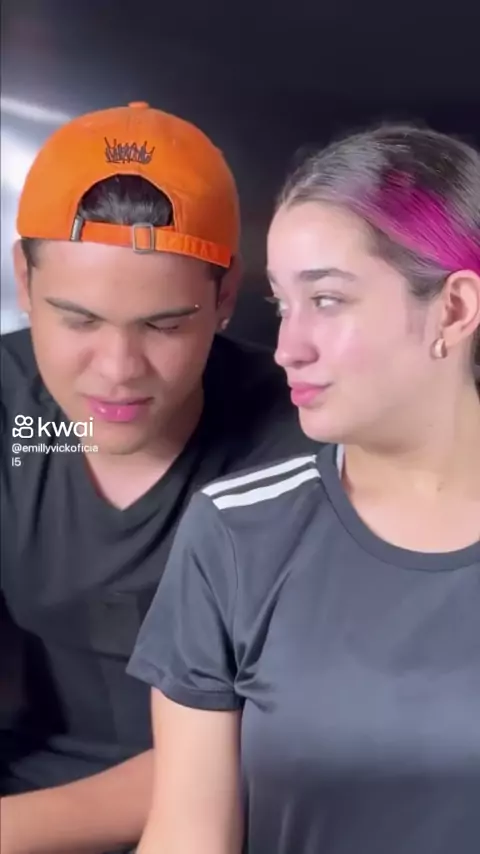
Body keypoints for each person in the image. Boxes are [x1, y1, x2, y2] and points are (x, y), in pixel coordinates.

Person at [128, 122, 480, 854]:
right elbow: (189, 835)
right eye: (283, 305)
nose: (287, 348)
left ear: (454, 309)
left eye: (326, 300)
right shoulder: (234, 537)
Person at [0, 101, 319, 854]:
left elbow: (275, 742)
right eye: (78, 320)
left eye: (165, 325)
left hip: (242, 814)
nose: (118, 371)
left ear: (225, 295)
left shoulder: (300, 445)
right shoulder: (15, 417)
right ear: (24, 280)